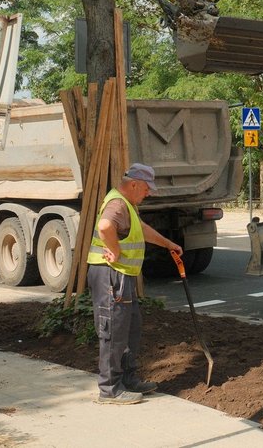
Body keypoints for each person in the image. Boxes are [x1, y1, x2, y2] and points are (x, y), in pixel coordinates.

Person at [87, 163, 182, 405]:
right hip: (111, 275)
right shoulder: (118, 204)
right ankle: (109, 389)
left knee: (129, 328)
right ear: (134, 184)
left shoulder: (126, 204)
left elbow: (141, 230)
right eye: (147, 189)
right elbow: (105, 226)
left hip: (121, 276)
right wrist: (115, 251)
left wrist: (168, 244)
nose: (148, 193)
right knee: (113, 331)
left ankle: (127, 379)